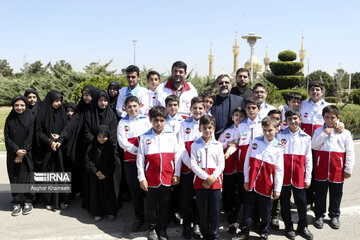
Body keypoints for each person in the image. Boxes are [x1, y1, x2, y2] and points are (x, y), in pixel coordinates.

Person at [137, 106, 182, 240]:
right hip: (151, 178)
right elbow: (140, 158)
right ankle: (152, 228)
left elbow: (177, 155)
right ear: (150, 120)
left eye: (162, 120)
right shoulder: (145, 137)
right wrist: (141, 178)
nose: (158, 123)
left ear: (166, 121)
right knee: (151, 205)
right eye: (155, 120)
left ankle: (162, 229)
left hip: (168, 177)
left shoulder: (171, 135)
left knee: (164, 205)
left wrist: (177, 173)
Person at [237, 117, 284, 240]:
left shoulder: (278, 147)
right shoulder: (255, 142)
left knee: (265, 210)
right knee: (248, 208)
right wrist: (246, 180)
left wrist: (277, 188)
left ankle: (264, 230)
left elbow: (279, 170)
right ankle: (244, 230)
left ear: (276, 130)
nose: (267, 133)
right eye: (265, 130)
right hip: (252, 182)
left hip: (266, 184)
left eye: (270, 130)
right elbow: (247, 162)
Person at [311, 105, 355, 230]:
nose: (330, 120)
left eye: (333, 117)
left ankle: (334, 216)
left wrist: (348, 169)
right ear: (323, 118)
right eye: (327, 117)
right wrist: (324, 134)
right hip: (321, 168)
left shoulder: (345, 133)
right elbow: (313, 145)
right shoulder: (319, 131)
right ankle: (319, 215)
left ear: (338, 118)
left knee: (336, 194)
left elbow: (350, 151)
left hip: (338, 169)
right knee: (320, 194)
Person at [117, 96, 152, 232]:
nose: (132, 109)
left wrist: (143, 152)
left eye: (134, 106)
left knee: (149, 190)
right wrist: (137, 150)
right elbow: (122, 141)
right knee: (135, 190)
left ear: (139, 106)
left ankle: (151, 218)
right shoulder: (122, 122)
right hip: (131, 160)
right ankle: (139, 217)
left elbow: (151, 135)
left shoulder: (146, 120)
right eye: (129, 107)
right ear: (125, 108)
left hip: (147, 161)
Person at [278, 109, 313, 240]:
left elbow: (309, 159)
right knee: (285, 202)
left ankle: (303, 226)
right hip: (284, 176)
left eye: (295, 118)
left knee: (302, 202)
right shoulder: (280, 135)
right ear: (285, 122)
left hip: (299, 176)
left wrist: (307, 177)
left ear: (300, 119)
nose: (292, 121)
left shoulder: (306, 137)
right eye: (289, 119)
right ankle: (288, 227)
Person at [191, 115, 225, 240]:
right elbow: (193, 164)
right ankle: (205, 234)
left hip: (215, 182)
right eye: (204, 128)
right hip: (200, 182)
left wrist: (213, 177)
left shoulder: (218, 145)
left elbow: (221, 164)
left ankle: (214, 235)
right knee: (203, 211)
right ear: (200, 129)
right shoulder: (195, 145)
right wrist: (206, 177)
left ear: (214, 128)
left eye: (210, 128)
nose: (207, 130)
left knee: (215, 211)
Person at [34, 90, 69, 211]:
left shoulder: (63, 113)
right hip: (46, 150)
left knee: (61, 173)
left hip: (60, 149)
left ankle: (62, 200)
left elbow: (67, 129)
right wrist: (50, 141)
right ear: (50, 101)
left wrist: (59, 138)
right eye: (56, 101)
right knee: (48, 175)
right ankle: (48, 200)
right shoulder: (42, 114)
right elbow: (38, 132)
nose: (59, 103)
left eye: (60, 101)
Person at [179, 96, 206, 239]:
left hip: (202, 171)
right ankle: (186, 225)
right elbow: (181, 147)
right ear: (190, 109)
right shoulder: (184, 125)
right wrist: (191, 165)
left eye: (200, 108)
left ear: (205, 109)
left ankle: (197, 223)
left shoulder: (207, 124)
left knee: (199, 198)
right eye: (195, 108)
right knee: (186, 198)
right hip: (188, 168)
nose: (197, 110)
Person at [5, 95, 35, 216]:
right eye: (16, 105)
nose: (19, 107)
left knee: (27, 177)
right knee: (15, 177)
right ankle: (17, 201)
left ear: (26, 106)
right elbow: (7, 137)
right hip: (13, 154)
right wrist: (16, 151)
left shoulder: (30, 118)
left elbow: (31, 135)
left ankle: (28, 201)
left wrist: (22, 153)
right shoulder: (10, 119)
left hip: (26, 153)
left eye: (22, 105)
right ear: (13, 106)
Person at [218, 107, 246, 233]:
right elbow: (218, 144)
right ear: (232, 117)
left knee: (240, 191)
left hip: (241, 166)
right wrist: (227, 144)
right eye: (236, 115)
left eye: (241, 116)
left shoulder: (246, 130)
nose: (238, 118)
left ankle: (237, 214)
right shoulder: (227, 131)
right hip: (228, 167)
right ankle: (229, 211)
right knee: (228, 190)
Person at [83, 125, 118, 222]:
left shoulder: (110, 147)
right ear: (96, 136)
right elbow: (88, 161)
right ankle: (97, 213)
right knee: (96, 194)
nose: (102, 139)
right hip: (95, 175)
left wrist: (106, 173)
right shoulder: (92, 146)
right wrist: (96, 172)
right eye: (99, 136)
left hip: (107, 175)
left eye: (104, 136)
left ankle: (110, 211)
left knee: (108, 194)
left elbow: (113, 162)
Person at [211, 74, 245, 139]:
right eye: (221, 83)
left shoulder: (239, 100)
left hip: (234, 139)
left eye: (227, 82)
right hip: (214, 139)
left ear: (231, 85)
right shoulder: (211, 101)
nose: (224, 85)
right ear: (217, 86)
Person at [267, 109, 283, 230]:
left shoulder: (283, 135)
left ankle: (275, 216)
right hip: (266, 168)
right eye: (272, 118)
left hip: (279, 167)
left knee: (277, 194)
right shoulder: (265, 134)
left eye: (277, 119)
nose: (275, 121)